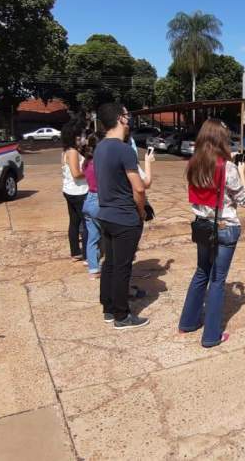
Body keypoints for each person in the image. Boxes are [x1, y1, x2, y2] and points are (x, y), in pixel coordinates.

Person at [179, 119, 245, 347]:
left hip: (202, 226)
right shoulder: (227, 167)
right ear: (221, 139)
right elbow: (243, 200)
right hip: (225, 227)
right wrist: (241, 172)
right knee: (218, 280)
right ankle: (211, 336)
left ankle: (187, 322)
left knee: (201, 272)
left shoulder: (192, 164)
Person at [94, 103, 150, 329]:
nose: (130, 118)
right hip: (124, 217)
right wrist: (141, 211)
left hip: (105, 215)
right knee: (122, 267)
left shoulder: (100, 147)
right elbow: (138, 188)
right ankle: (121, 316)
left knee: (109, 264)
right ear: (121, 119)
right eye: (127, 115)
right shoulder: (124, 149)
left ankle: (108, 308)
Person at [61, 117, 88, 262]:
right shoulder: (72, 152)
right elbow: (76, 174)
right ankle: (86, 255)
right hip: (78, 192)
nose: (84, 137)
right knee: (86, 224)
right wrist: (90, 173)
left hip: (70, 191)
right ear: (75, 136)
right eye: (82, 135)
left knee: (74, 222)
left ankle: (75, 252)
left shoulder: (67, 151)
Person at [82, 134, 101, 279]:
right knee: (109, 236)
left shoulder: (86, 162)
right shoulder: (101, 164)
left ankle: (93, 269)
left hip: (88, 199)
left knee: (92, 238)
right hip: (100, 200)